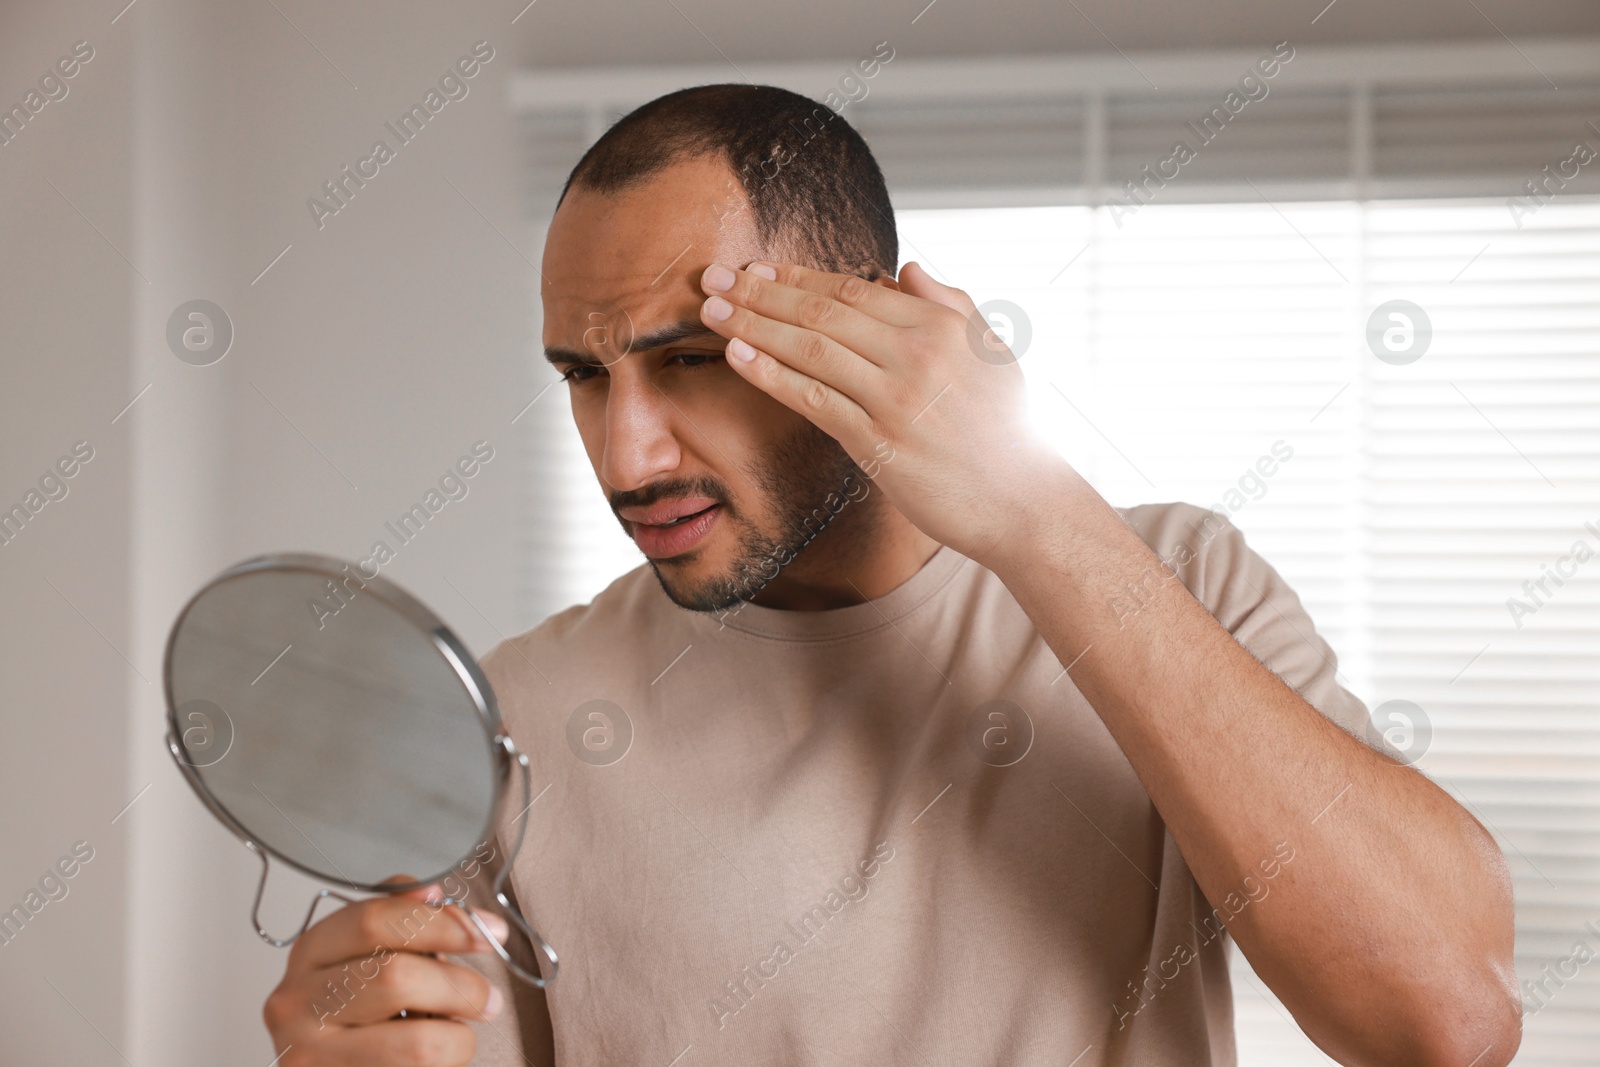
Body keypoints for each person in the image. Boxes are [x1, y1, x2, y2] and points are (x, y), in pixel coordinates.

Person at [263, 83, 1520, 1067]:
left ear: (866, 323)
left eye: (691, 357)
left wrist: (1030, 512)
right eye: (582, 376)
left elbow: (1443, 1025)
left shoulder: (1176, 575)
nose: (624, 452)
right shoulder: (515, 717)